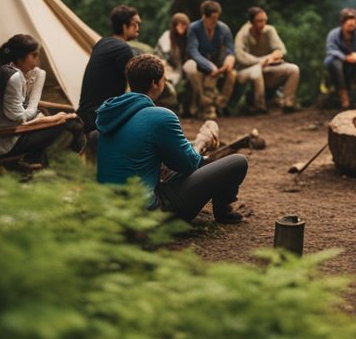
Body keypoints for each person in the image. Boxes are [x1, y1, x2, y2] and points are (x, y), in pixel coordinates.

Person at [96, 54, 247, 223]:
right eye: (164, 80)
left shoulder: (112, 114)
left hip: (108, 211)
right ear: (155, 83)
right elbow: (190, 165)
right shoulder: (161, 116)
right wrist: (202, 146)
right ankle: (223, 211)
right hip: (146, 213)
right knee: (238, 162)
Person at [0, 34, 82, 165]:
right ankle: (61, 164)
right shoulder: (14, 77)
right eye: (33, 55)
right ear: (19, 58)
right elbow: (20, 117)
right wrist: (53, 118)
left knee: (60, 118)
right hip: (3, 143)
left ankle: (36, 162)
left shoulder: (1, 71)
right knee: (66, 123)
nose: (36, 60)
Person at [78, 5, 140, 133]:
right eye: (135, 25)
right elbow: (138, 83)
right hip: (101, 115)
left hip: (86, 113)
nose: (138, 29)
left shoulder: (102, 43)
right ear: (124, 26)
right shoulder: (123, 49)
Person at [233, 6, 300, 113]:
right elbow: (240, 57)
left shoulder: (269, 30)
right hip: (246, 70)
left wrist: (272, 57)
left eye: (264, 20)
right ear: (251, 22)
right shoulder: (242, 35)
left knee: (293, 69)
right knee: (256, 71)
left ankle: (287, 103)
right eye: (259, 21)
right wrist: (261, 61)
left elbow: (281, 50)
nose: (262, 24)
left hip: (267, 66)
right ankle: (260, 107)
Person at [184, 0, 240, 116]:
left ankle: (220, 103)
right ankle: (204, 103)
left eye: (217, 18)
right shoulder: (194, 28)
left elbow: (230, 48)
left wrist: (230, 58)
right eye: (212, 18)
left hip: (218, 63)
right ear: (204, 16)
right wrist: (208, 66)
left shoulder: (223, 28)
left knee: (232, 74)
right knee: (197, 72)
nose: (215, 21)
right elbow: (193, 50)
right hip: (199, 63)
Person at [155, 12, 190, 110]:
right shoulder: (167, 37)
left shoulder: (188, 38)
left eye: (184, 25)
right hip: (166, 66)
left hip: (181, 67)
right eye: (179, 25)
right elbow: (162, 56)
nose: (181, 28)